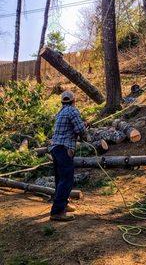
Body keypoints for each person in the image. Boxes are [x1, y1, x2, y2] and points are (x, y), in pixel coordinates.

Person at [49, 90, 86, 221]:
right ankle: (57, 212)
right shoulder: (72, 110)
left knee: (60, 179)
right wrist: (86, 133)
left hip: (55, 148)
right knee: (66, 180)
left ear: (62, 101)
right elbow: (80, 130)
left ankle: (62, 204)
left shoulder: (61, 112)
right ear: (74, 100)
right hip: (64, 149)